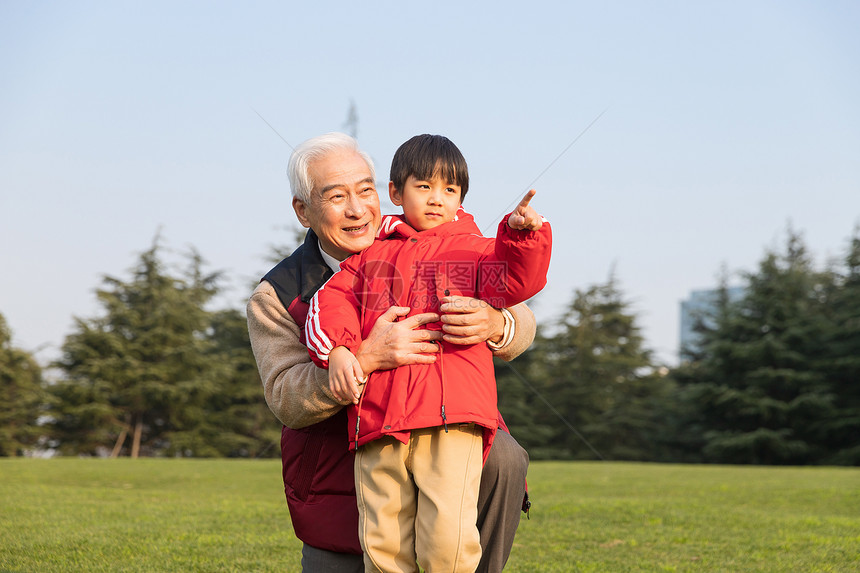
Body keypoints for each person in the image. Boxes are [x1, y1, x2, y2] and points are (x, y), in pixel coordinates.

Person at [247, 132, 536, 573]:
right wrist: (364, 359)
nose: (357, 208)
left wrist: (497, 323)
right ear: (303, 211)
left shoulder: (429, 243)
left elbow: (516, 308)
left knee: (504, 459)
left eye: (365, 190)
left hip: (440, 425)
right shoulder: (277, 295)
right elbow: (287, 397)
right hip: (338, 471)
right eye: (336, 197)